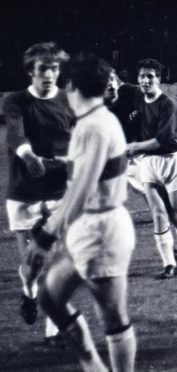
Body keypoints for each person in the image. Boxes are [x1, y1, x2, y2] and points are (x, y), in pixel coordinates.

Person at [24, 53, 136, 372]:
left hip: (102, 231)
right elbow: (81, 181)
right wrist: (55, 216)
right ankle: (92, 364)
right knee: (49, 297)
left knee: (112, 318)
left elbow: (84, 188)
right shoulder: (90, 124)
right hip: (86, 227)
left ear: (71, 86)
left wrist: (46, 235)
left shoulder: (96, 126)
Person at [3, 41, 74, 345]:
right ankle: (29, 292)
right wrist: (29, 156)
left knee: (57, 263)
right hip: (24, 193)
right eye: (43, 68)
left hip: (58, 192)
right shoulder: (16, 100)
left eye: (54, 68)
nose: (49, 74)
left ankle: (53, 330)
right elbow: (16, 133)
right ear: (30, 71)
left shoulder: (69, 100)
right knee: (32, 266)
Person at [127, 58, 177, 277]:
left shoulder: (168, 105)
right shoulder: (137, 101)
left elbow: (161, 140)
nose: (146, 80)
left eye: (150, 76)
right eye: (142, 76)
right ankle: (169, 264)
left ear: (158, 79)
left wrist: (134, 147)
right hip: (149, 163)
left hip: (173, 160)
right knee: (158, 214)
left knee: (176, 216)